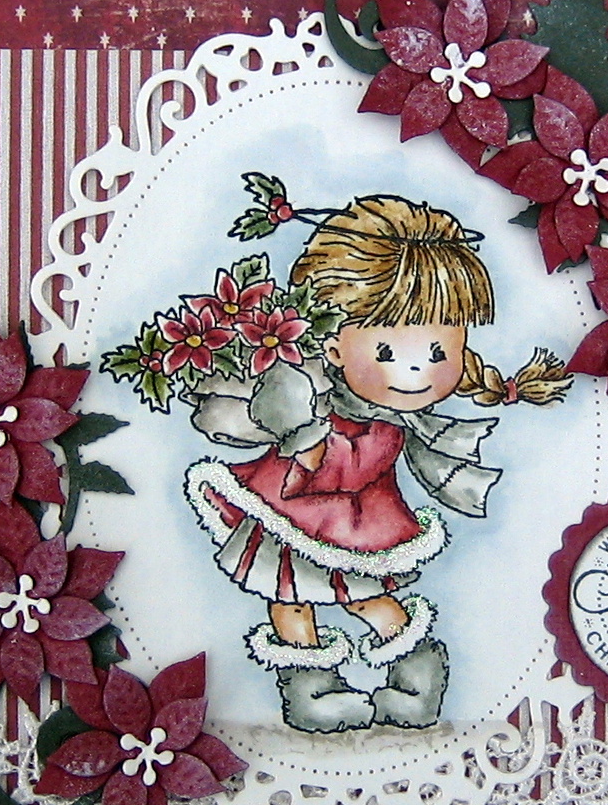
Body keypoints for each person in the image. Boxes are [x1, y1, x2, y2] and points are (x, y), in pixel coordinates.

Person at [183, 194, 568, 733]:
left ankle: (414, 680)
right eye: (386, 351)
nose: (415, 371)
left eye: (438, 352)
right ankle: (313, 692)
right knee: (288, 597)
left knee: (365, 596)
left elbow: (352, 468)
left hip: (352, 520)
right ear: (332, 347)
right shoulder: (311, 394)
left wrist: (313, 447)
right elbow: (288, 430)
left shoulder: (383, 425)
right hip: (286, 509)